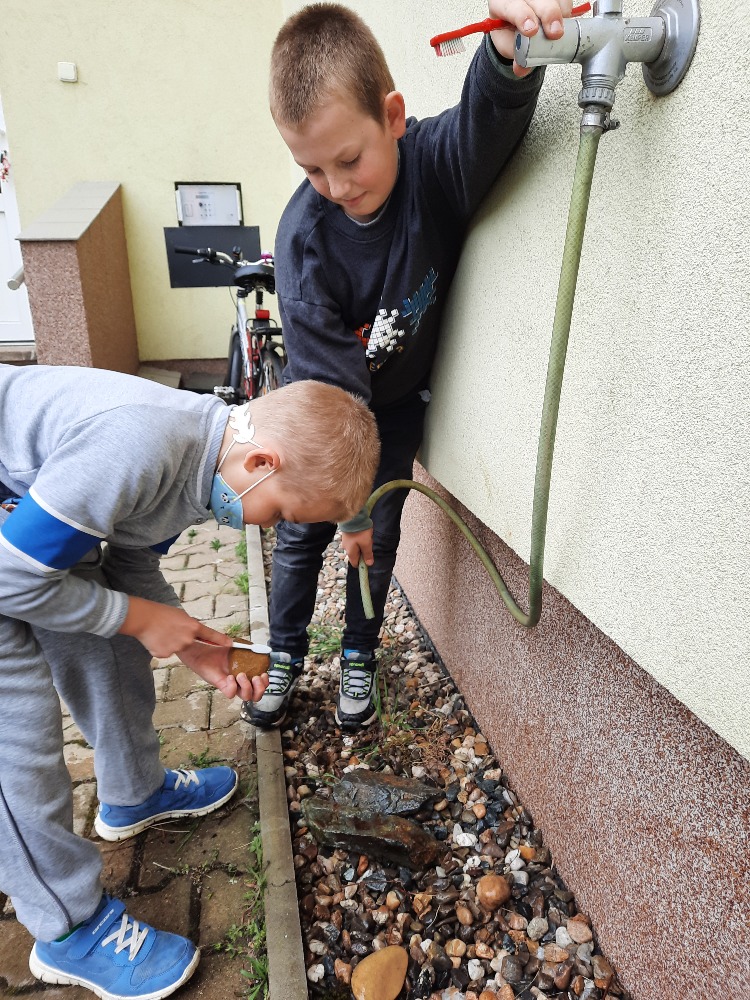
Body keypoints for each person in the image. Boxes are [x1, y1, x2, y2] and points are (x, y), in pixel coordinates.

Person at [0, 364, 378, 1000]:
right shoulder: (137, 445)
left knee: (110, 642)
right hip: (8, 556)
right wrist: (139, 619)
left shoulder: (202, 467)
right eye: (280, 514)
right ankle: (66, 928)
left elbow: (129, 564)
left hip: (25, 519)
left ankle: (134, 794)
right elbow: (11, 580)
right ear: (260, 462)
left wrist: (188, 644)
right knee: (18, 736)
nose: (269, 527)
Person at [246, 0, 570, 733]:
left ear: (392, 116)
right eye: (311, 169)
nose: (337, 186)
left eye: (349, 159)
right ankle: (285, 652)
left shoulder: (431, 168)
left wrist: (508, 55)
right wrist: (344, 507)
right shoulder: (304, 242)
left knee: (379, 534)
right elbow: (332, 396)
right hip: (323, 412)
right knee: (302, 534)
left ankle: (358, 653)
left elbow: (484, 124)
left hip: (391, 410)